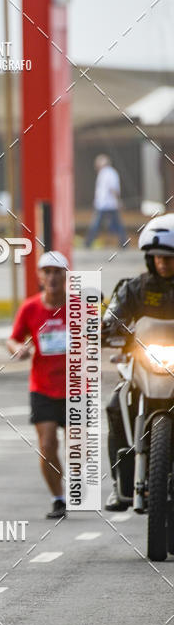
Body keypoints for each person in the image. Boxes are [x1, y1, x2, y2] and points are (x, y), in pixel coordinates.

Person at [102, 213, 174, 510]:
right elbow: (114, 315)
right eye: (157, 257)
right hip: (145, 364)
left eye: (169, 257)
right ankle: (120, 484)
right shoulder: (134, 288)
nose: (163, 263)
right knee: (115, 403)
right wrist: (106, 328)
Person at [7, 251, 69, 519]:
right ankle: (58, 498)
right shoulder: (30, 308)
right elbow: (13, 338)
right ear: (40, 276)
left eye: (58, 272)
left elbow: (98, 334)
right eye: (48, 272)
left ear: (66, 275)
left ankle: (78, 486)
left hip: (76, 386)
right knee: (47, 445)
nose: (52, 277)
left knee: (78, 448)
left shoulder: (80, 307)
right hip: (42, 386)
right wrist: (18, 349)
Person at [84, 154, 127, 249]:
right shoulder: (105, 173)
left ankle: (88, 243)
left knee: (96, 225)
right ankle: (124, 243)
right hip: (105, 204)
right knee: (116, 225)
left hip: (108, 204)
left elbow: (113, 189)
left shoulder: (109, 173)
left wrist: (118, 201)